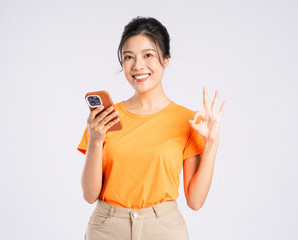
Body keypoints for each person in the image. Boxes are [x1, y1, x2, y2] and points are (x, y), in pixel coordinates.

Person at [77, 16, 226, 240]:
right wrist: (96, 140)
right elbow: (90, 195)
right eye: (129, 57)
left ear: (166, 59)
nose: (138, 65)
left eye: (148, 55)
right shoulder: (104, 119)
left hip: (164, 229)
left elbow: (195, 201)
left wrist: (212, 142)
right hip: (107, 228)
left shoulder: (188, 121)